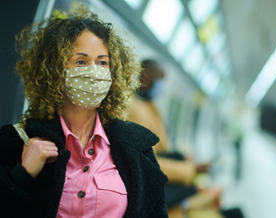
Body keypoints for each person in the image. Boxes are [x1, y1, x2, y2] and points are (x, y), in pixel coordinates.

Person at [0, 6, 168, 218]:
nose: (94, 72)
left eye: (102, 62)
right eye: (81, 61)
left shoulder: (137, 146)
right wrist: (21, 176)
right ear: (55, 69)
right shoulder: (18, 141)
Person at [129, 60, 223, 218]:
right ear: (144, 77)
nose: (161, 86)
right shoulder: (132, 110)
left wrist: (184, 159)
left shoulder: (149, 105)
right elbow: (145, 160)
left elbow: (160, 148)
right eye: (158, 80)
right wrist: (190, 169)